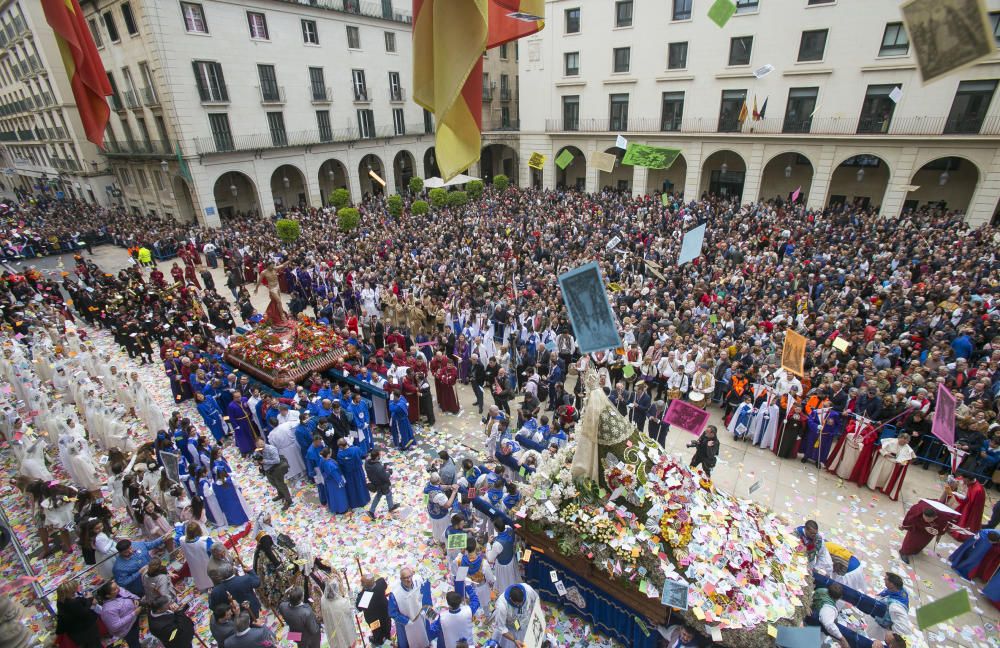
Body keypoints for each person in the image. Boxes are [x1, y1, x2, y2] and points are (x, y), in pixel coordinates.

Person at [388, 567, 432, 648]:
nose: (408, 580)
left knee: (425, 636)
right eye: (405, 578)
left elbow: (426, 594)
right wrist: (406, 621)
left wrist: (425, 610)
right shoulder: (395, 594)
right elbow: (392, 612)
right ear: (401, 579)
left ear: (412, 575)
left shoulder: (419, 581)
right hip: (407, 623)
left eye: (410, 576)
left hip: (421, 617)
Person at [866, 433, 915, 501]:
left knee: (887, 477)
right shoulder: (890, 441)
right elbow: (880, 448)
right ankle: (872, 485)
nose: (903, 442)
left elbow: (907, 460)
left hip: (894, 464)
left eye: (905, 441)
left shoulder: (908, 449)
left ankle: (883, 488)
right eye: (902, 440)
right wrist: (885, 453)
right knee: (878, 474)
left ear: (908, 441)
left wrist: (902, 463)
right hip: (884, 460)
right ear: (899, 438)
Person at [492, 583, 541, 648]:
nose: (520, 605)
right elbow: (501, 628)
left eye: (522, 602)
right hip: (511, 628)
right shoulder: (501, 606)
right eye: (518, 604)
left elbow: (536, 600)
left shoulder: (528, 590)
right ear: (511, 600)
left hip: (525, 622)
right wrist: (514, 640)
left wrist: (536, 614)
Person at [95, 580, 142, 648]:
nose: (119, 588)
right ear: (108, 595)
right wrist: (134, 613)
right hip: (128, 630)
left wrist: (134, 598)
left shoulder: (119, 590)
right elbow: (115, 626)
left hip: (134, 621)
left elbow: (129, 594)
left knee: (136, 638)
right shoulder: (108, 610)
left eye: (117, 586)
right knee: (134, 643)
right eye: (115, 589)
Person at [55, 580, 101, 648]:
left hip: (74, 633)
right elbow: (84, 612)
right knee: (94, 644)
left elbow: (61, 619)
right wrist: (89, 599)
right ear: (69, 592)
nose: (76, 590)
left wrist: (58, 632)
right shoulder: (73, 603)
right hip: (86, 631)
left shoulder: (60, 602)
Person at [868, 573, 912, 643]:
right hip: (881, 612)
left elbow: (904, 628)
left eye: (885, 579)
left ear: (892, 584)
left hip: (880, 627)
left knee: (872, 640)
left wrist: (891, 633)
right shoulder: (900, 589)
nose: (883, 579)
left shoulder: (895, 606)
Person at [255, 438, 293, 510]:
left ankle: (288, 500)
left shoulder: (271, 449)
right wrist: (257, 462)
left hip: (276, 469)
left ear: (264, 442)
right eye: (258, 445)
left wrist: (264, 461)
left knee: (281, 484)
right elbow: (257, 459)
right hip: (267, 470)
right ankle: (281, 494)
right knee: (274, 484)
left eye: (261, 444)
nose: (260, 446)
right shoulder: (258, 451)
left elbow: (277, 460)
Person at [945, 474, 986, 539]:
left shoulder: (977, 489)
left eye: (966, 482)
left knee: (965, 518)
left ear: (970, 480)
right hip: (965, 502)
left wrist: (961, 498)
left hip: (971, 508)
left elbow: (971, 501)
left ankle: (960, 533)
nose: (964, 483)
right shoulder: (970, 483)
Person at [320, 578, 358, 648]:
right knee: (346, 641)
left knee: (336, 642)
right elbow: (352, 609)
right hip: (344, 627)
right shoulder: (342, 603)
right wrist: (351, 597)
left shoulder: (323, 599)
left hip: (331, 626)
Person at [488, 517, 521, 596]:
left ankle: (505, 593)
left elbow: (490, 559)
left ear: (496, 529)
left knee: (503, 583)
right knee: (512, 578)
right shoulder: (510, 530)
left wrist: (489, 544)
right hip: (511, 559)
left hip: (502, 565)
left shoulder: (497, 544)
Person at [178, 521, 215, 591]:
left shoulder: (182, 541)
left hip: (197, 573)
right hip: (210, 569)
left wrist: (179, 526)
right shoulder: (205, 541)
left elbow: (179, 537)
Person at [336, 437, 371, 510]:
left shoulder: (340, 455)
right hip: (358, 471)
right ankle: (364, 500)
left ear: (341, 446)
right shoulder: (356, 449)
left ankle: (354, 503)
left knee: (352, 488)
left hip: (348, 473)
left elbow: (340, 465)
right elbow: (362, 455)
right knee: (360, 485)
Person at [357, 575, 392, 645]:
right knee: (387, 626)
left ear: (363, 585)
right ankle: (387, 637)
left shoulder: (364, 596)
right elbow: (382, 582)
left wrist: (362, 591)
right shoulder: (380, 583)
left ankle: (378, 640)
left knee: (376, 631)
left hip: (373, 619)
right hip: (385, 613)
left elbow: (359, 608)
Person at [812, 583, 850, 648]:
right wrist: (842, 639)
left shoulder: (821, 590)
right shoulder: (828, 608)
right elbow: (828, 624)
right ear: (839, 598)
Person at [365, 448, 400, 519]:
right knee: (388, 494)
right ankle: (390, 507)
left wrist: (383, 469)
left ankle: (372, 511)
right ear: (377, 456)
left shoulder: (367, 463)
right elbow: (385, 477)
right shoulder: (378, 467)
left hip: (375, 482)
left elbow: (376, 472)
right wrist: (389, 472)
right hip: (382, 484)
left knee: (379, 495)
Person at [425, 472, 458, 544]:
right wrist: (454, 492)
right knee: (443, 529)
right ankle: (443, 541)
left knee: (435, 528)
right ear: (439, 481)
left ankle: (437, 537)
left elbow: (440, 486)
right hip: (440, 516)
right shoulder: (439, 495)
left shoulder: (428, 485)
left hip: (431, 512)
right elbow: (448, 505)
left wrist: (450, 486)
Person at [226, 390, 259, 457]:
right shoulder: (231, 406)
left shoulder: (244, 399)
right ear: (233, 398)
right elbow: (231, 417)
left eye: (239, 396)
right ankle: (246, 449)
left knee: (251, 433)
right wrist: (236, 426)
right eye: (236, 397)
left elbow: (248, 408)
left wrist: (251, 416)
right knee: (243, 436)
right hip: (240, 422)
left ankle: (255, 445)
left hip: (248, 420)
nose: (238, 398)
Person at [319, 447, 350, 514]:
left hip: (328, 481)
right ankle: (341, 509)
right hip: (335, 482)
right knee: (339, 496)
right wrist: (341, 482)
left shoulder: (322, 460)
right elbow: (336, 475)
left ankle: (334, 508)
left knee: (332, 496)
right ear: (328, 454)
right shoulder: (330, 465)